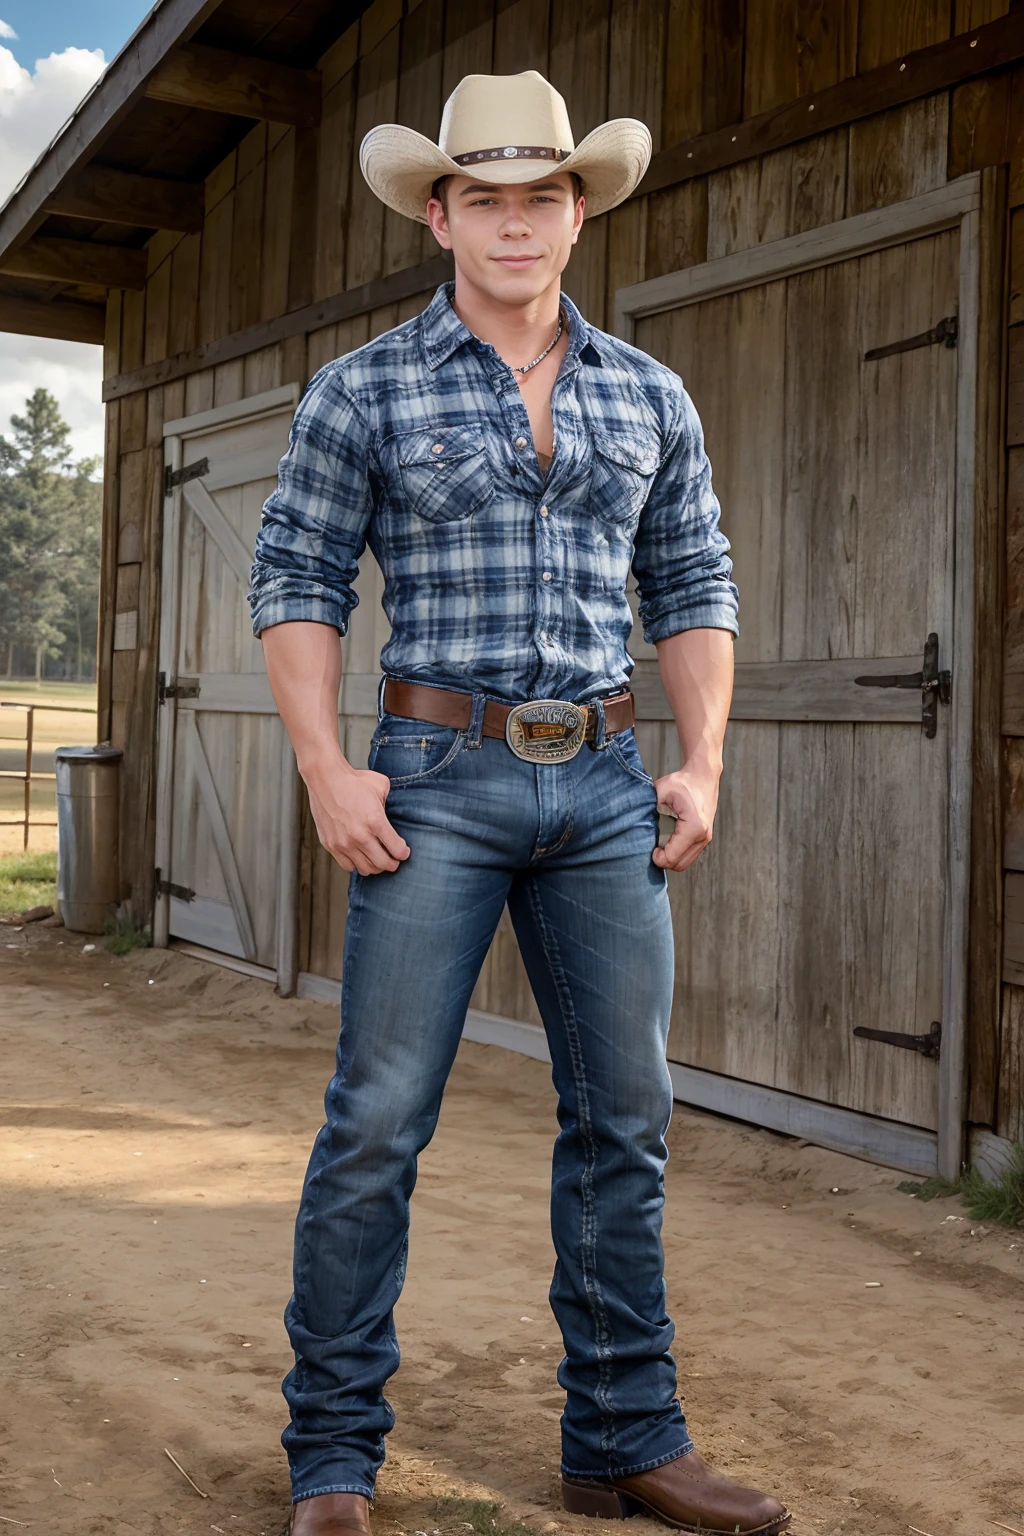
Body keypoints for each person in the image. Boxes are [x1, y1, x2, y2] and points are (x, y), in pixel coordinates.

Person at [249, 68, 789, 1536]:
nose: (514, 223)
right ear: (440, 215)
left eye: (540, 197)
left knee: (626, 1118)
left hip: (611, 788)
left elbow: (694, 585)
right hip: (432, 784)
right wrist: (325, 767)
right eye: (483, 198)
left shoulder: (647, 394)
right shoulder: (364, 388)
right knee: (378, 1121)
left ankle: (624, 1439)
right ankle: (335, 1461)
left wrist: (703, 758)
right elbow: (295, 580)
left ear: (577, 211)